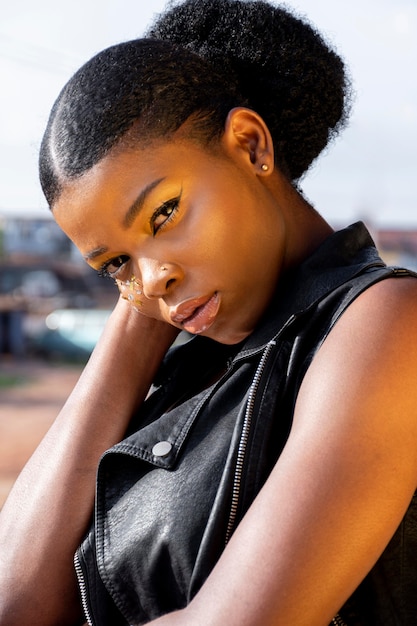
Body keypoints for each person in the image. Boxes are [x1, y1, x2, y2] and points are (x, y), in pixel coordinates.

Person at [1, 0, 417, 624]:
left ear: (250, 145)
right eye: (113, 263)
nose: (153, 275)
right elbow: (14, 602)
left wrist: (150, 263)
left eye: (164, 213)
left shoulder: (383, 325)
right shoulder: (189, 367)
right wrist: (140, 301)